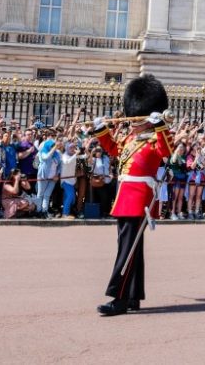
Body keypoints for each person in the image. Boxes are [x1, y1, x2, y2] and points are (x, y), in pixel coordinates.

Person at [95, 74, 174, 316]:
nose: (133, 122)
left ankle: (117, 298)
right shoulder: (131, 138)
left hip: (139, 199)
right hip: (124, 198)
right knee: (131, 248)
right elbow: (114, 150)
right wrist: (101, 130)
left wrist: (160, 124)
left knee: (126, 250)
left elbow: (166, 151)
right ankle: (132, 296)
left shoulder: (155, 139)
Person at [59, 140, 81, 219]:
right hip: (65, 181)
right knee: (71, 196)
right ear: (67, 148)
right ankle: (65, 213)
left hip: (72, 181)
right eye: (71, 147)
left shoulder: (73, 155)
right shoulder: (64, 155)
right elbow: (67, 162)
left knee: (70, 198)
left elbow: (83, 157)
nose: (72, 149)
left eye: (73, 147)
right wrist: (75, 154)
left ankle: (65, 213)